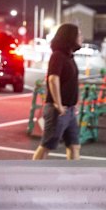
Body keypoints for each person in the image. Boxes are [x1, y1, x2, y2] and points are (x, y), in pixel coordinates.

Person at [33, 23, 83, 161]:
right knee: (47, 145)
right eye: (78, 34)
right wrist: (58, 104)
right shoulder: (58, 56)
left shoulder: (69, 57)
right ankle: (32, 174)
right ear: (70, 37)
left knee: (74, 146)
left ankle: (73, 177)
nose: (81, 37)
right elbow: (53, 79)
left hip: (70, 109)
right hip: (58, 110)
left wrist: (74, 104)